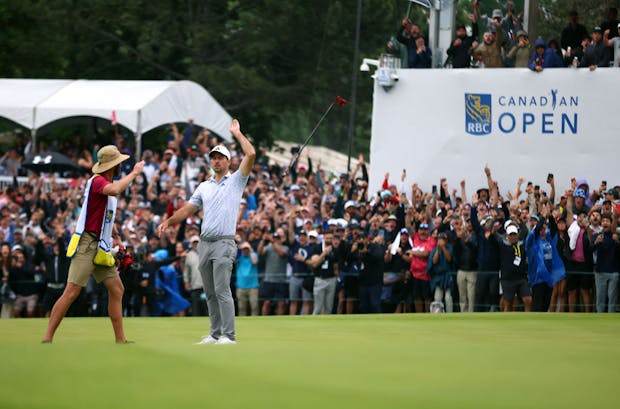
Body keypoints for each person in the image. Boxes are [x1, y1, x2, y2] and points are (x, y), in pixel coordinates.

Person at [157, 119, 254, 344]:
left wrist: (237, 134)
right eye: (214, 158)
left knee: (222, 290)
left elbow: (250, 154)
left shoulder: (236, 180)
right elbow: (187, 210)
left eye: (220, 157)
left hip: (224, 242)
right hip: (205, 243)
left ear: (228, 161)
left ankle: (229, 335)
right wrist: (168, 222)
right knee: (209, 291)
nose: (216, 161)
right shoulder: (204, 186)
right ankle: (215, 333)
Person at [42, 145, 145, 343]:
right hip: (87, 244)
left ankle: (120, 340)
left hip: (101, 246)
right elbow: (115, 189)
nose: (121, 166)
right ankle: (47, 338)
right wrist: (134, 173)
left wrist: (116, 237)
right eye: (119, 163)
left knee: (117, 290)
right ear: (112, 165)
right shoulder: (99, 181)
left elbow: (106, 217)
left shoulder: (104, 183)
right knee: (72, 291)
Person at [525, 204, 566, 312]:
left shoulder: (549, 239)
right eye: (540, 229)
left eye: (544, 228)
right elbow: (536, 229)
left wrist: (550, 216)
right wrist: (542, 217)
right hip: (537, 278)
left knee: (545, 305)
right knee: (537, 306)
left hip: (549, 278)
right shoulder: (531, 241)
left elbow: (553, 229)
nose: (542, 231)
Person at [497, 224, 531, 312]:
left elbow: (525, 230)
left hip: (521, 278)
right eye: (510, 235)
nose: (513, 236)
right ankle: (505, 323)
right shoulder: (503, 246)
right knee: (508, 303)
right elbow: (493, 238)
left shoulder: (522, 245)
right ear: (507, 236)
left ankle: (528, 322)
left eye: (514, 234)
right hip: (508, 279)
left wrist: (519, 221)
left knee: (528, 300)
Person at [591, 215, 619, 313]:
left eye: (607, 221)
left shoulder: (616, 236)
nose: (605, 223)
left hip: (614, 272)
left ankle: (610, 319)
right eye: (603, 221)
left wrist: (618, 242)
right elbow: (589, 251)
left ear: (611, 224)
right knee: (600, 299)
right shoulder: (597, 236)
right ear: (601, 224)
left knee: (612, 299)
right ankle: (599, 320)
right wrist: (596, 243)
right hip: (600, 272)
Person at [258, 230, 289, 316]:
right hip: (269, 280)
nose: (275, 240)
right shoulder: (268, 248)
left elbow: (282, 253)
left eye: (277, 239)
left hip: (281, 280)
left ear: (280, 240)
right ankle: (263, 320)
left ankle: (279, 320)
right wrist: (263, 240)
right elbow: (260, 252)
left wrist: (272, 241)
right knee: (267, 302)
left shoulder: (285, 248)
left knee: (281, 303)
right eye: (274, 239)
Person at [183, 235, 207, 316]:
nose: (196, 244)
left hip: (206, 285)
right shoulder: (189, 255)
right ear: (191, 244)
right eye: (194, 243)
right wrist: (186, 281)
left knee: (207, 309)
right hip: (195, 286)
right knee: (195, 309)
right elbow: (186, 271)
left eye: (197, 242)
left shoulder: (206, 253)